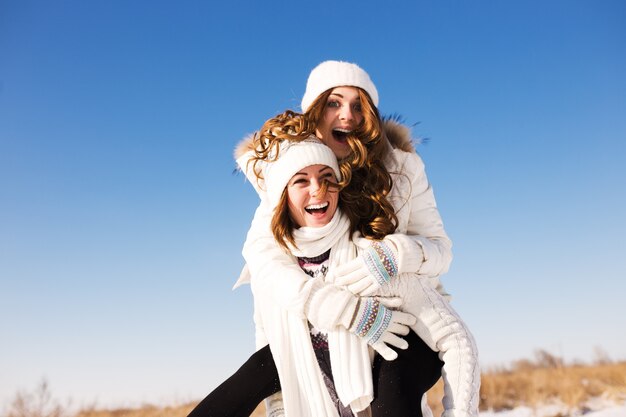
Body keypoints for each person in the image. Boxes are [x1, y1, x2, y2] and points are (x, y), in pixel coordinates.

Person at [237, 61, 479, 416]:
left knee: (393, 401)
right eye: (334, 103)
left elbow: (441, 251)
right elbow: (266, 269)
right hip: (331, 329)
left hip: (404, 320)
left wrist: (399, 254)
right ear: (313, 113)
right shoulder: (288, 177)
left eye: (357, 105)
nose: (347, 116)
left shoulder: (402, 168)